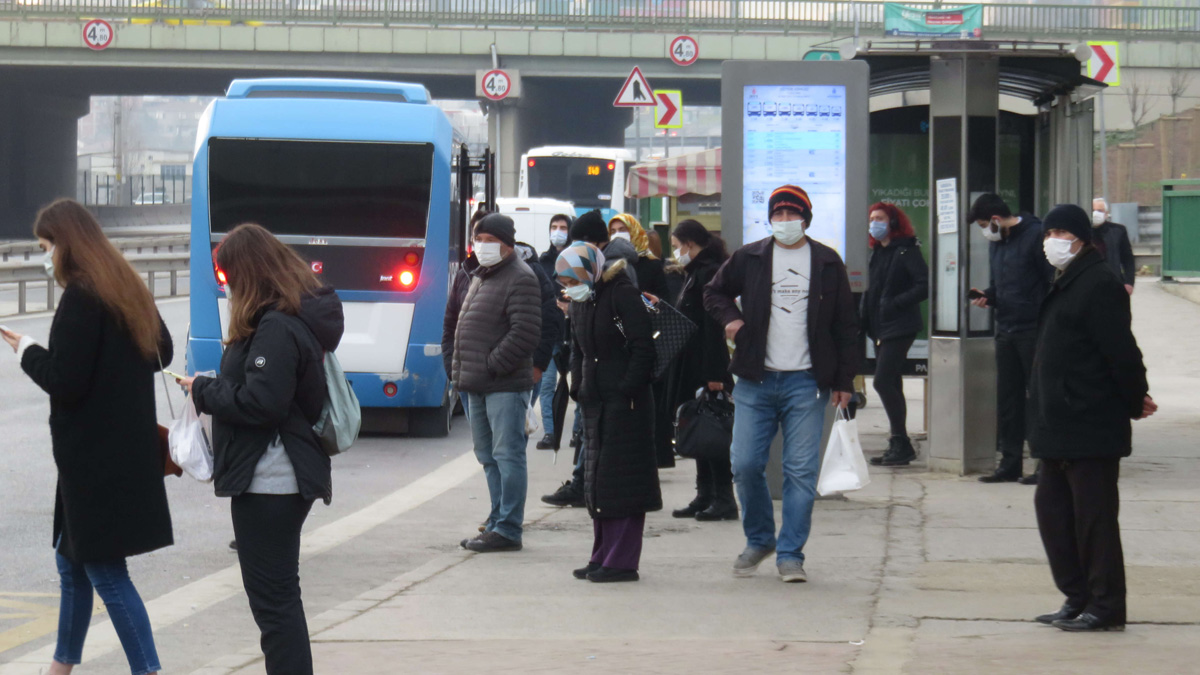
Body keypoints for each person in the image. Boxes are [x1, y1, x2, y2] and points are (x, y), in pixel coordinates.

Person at [1, 199, 172, 675]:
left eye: (44, 247)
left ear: (64, 244)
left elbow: (66, 381)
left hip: (95, 461)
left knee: (105, 572)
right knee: (70, 562)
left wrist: (28, 351)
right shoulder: (125, 286)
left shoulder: (82, 296)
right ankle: (61, 664)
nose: (44, 257)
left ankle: (148, 670)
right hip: (120, 454)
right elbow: (162, 350)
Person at [177, 223, 343, 675]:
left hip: (271, 479)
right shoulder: (286, 319)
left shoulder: (275, 327)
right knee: (279, 600)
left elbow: (262, 403)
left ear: (249, 273)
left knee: (275, 606)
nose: (227, 285)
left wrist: (206, 391)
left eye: (229, 276)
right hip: (278, 477)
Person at [704, 185, 859, 583]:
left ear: (806, 218)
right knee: (745, 463)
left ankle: (791, 553)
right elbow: (714, 292)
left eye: (793, 214)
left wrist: (844, 380)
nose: (786, 222)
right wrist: (731, 321)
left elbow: (846, 324)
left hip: (807, 383)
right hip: (756, 380)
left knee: (800, 471)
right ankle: (759, 538)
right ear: (770, 218)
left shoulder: (826, 261)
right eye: (779, 214)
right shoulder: (751, 257)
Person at [1027, 204, 1155, 632]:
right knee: (1054, 513)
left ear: (1081, 237)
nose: (1053, 240)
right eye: (1049, 232)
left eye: (1062, 231)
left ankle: (1105, 606)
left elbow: (1121, 352)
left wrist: (1135, 399)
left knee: (1094, 521)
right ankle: (1076, 596)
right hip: (1056, 422)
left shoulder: (1099, 282)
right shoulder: (1065, 280)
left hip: (1090, 421)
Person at [557, 242, 661, 582]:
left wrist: (627, 388)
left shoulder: (622, 294)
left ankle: (622, 561)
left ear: (592, 270)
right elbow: (578, 349)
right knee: (598, 481)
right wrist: (578, 386)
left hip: (626, 403)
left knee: (623, 483)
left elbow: (643, 348)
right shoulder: (583, 302)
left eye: (574, 279)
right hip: (594, 400)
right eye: (565, 282)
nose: (569, 287)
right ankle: (602, 554)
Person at [452, 213, 542, 552]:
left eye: (490, 241)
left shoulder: (521, 277)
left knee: (507, 455)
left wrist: (492, 365)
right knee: (488, 455)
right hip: (476, 382)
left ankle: (508, 527)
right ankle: (496, 519)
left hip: (503, 383)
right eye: (479, 240)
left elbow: (525, 332)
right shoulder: (482, 274)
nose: (482, 246)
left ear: (507, 244)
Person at [967, 193, 1051, 484]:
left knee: (1038, 397)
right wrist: (989, 296)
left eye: (982, 224)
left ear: (995, 219)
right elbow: (1003, 284)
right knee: (1008, 399)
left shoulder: (1035, 236)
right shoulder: (999, 244)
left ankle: (1045, 462)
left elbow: (1048, 282)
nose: (983, 232)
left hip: (1032, 330)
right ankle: (1010, 462)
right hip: (1006, 329)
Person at [666, 220, 736, 521]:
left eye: (676, 246)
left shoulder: (707, 273)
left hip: (707, 365)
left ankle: (724, 498)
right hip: (693, 362)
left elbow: (711, 328)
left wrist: (715, 375)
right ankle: (704, 493)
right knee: (699, 429)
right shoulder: (694, 273)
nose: (675, 252)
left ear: (690, 244)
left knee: (713, 431)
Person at [861, 202, 928, 467]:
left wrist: (896, 303)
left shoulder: (906, 250)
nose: (874, 222)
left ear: (893, 222)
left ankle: (901, 440)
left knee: (882, 381)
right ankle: (899, 444)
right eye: (872, 218)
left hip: (900, 325)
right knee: (892, 382)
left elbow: (924, 285)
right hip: (880, 326)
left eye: (880, 218)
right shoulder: (878, 252)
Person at [609, 213, 675, 468]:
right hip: (617, 340)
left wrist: (646, 302)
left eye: (622, 229)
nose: (617, 234)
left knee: (650, 403)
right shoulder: (608, 264)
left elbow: (664, 301)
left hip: (645, 339)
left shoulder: (650, 264)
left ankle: (655, 456)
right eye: (613, 230)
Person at [535, 213, 574, 449]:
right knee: (547, 384)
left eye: (562, 227)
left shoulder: (578, 258)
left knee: (580, 384)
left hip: (575, 330)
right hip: (550, 332)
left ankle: (578, 432)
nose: (558, 231)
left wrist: (572, 308)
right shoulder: (543, 261)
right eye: (553, 227)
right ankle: (550, 432)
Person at [1091, 198, 1137, 295]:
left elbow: (1128, 259)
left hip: (1113, 283)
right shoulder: (1081, 233)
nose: (1095, 213)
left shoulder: (1118, 231)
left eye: (1100, 211)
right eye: (1093, 210)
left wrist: (1129, 282)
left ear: (1106, 213)